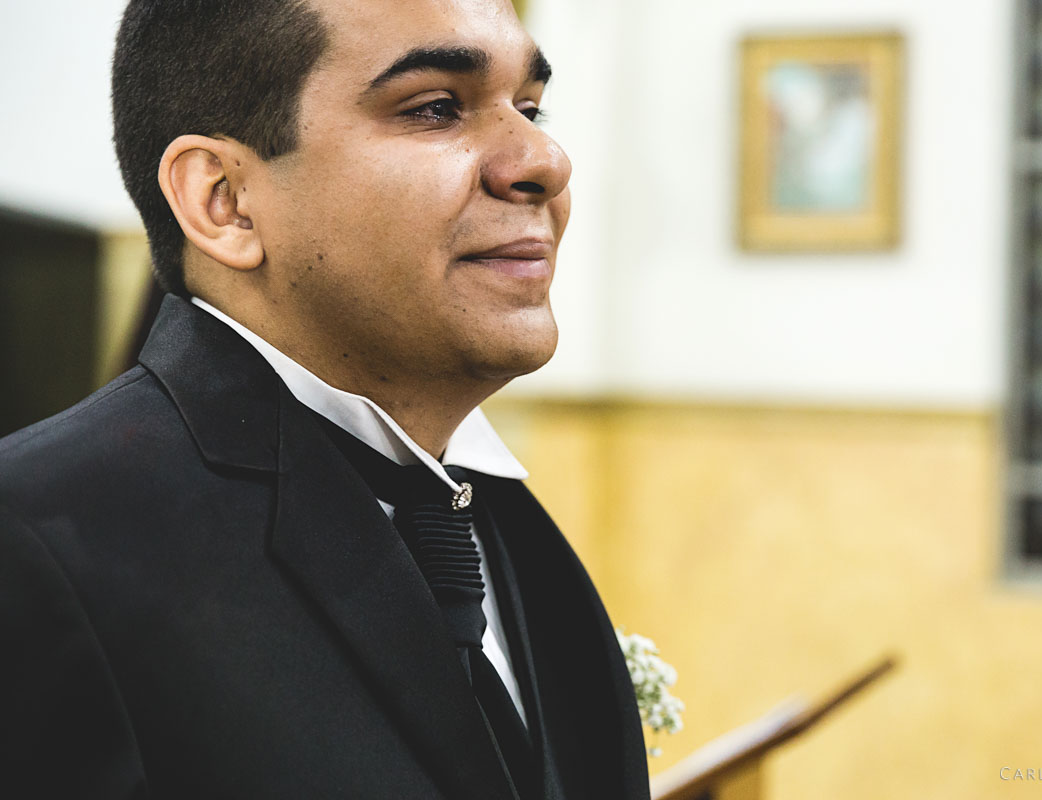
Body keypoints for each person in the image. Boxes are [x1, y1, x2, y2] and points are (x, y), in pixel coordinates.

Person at [0, 0, 651, 797]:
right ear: (224, 201)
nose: (543, 160)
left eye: (531, 106)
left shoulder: (503, 524)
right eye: (435, 107)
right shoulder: (34, 542)